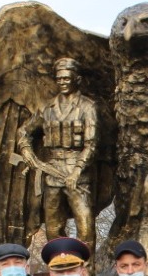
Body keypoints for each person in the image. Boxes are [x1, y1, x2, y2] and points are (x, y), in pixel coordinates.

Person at [17, 57, 99, 254]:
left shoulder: (88, 107)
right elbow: (24, 132)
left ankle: (87, 275)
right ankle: (62, 270)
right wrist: (26, 150)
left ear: (76, 79)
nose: (62, 82)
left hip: (77, 175)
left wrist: (76, 172)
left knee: (86, 228)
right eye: (59, 79)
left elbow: (91, 144)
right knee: (53, 229)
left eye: (66, 78)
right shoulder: (48, 108)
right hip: (52, 173)